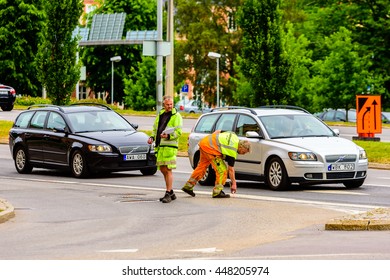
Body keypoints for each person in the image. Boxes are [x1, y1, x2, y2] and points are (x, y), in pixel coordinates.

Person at [181, 130, 251, 198]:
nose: (243, 154)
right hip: (210, 149)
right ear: (241, 147)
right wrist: (234, 184)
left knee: (201, 167)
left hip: (204, 143)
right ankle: (217, 192)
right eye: (244, 152)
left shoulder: (233, 135)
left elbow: (218, 131)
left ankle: (188, 186)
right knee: (222, 170)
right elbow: (231, 170)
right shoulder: (232, 150)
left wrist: (212, 142)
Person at [148, 95, 183, 203]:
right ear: (164, 104)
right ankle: (171, 192)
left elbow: (178, 132)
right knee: (162, 169)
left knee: (168, 169)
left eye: (171, 104)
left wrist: (168, 136)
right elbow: (155, 128)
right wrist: (152, 137)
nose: (169, 106)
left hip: (170, 146)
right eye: (167, 104)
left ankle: (168, 192)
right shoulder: (161, 114)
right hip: (160, 145)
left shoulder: (176, 116)